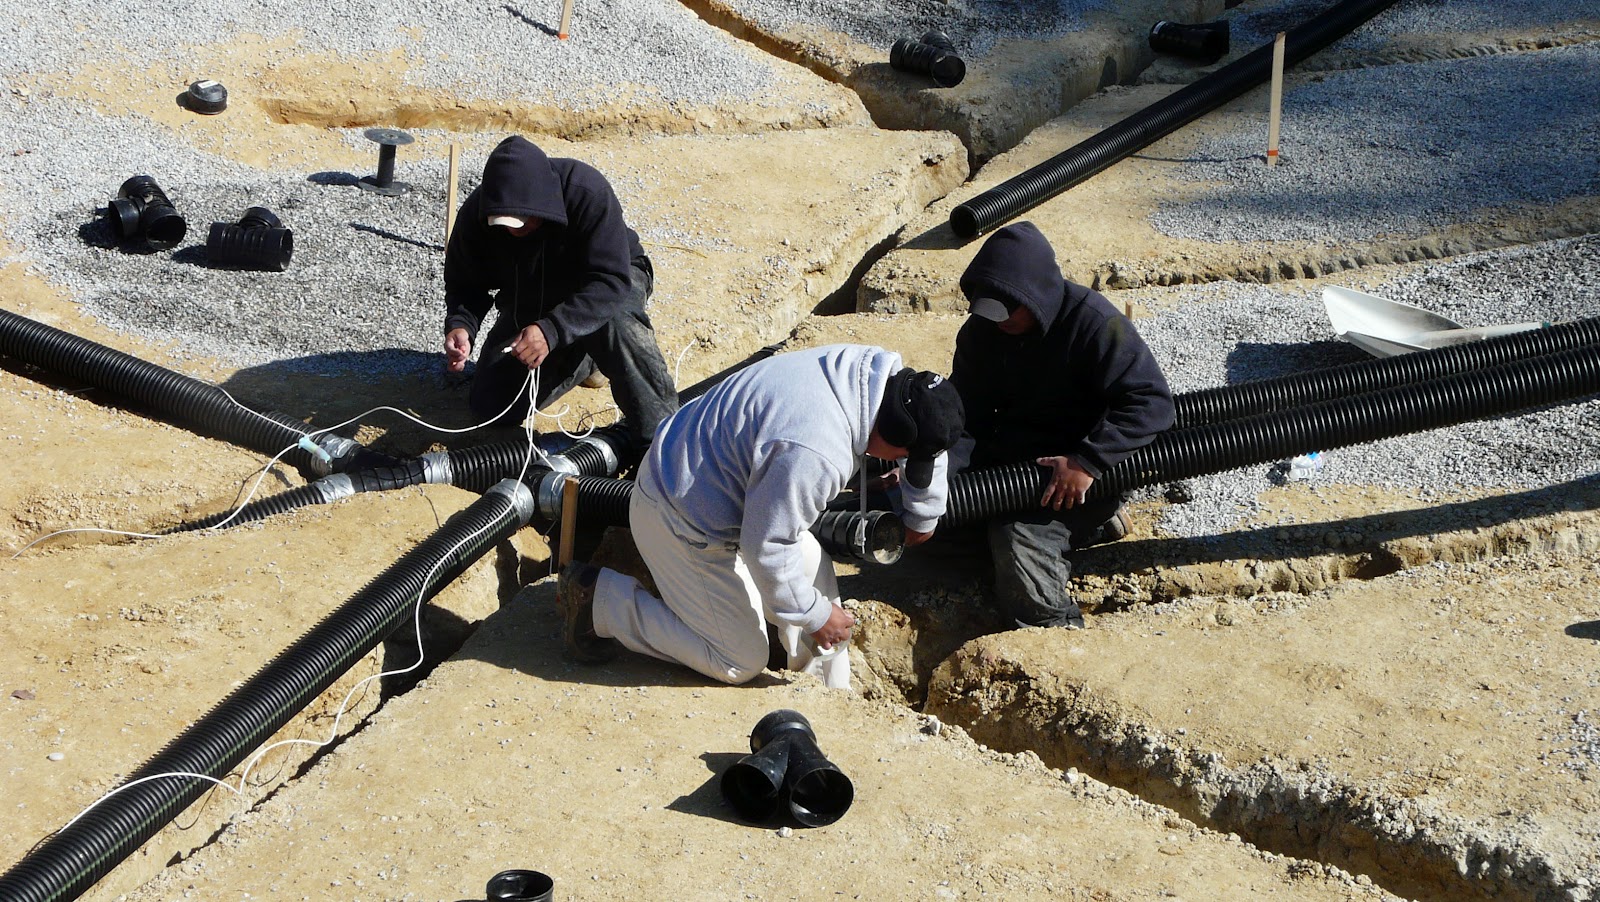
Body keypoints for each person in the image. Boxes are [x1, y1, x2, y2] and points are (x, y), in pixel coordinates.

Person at [556, 344, 965, 690]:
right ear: (888, 436)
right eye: (905, 458)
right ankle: (604, 603)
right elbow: (767, 547)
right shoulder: (816, 449)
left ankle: (825, 693)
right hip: (679, 518)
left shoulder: (877, 377)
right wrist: (818, 616)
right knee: (739, 660)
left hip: (712, 483)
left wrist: (922, 517)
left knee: (813, 566)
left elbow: (930, 439)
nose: (904, 466)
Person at [949, 221, 1173, 629]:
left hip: (1078, 479)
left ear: (1036, 295)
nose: (997, 321)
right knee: (939, 535)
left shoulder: (1095, 323)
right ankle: (1089, 533)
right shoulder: (982, 333)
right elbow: (964, 415)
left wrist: (1087, 461)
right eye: (989, 311)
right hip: (1011, 469)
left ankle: (1055, 628)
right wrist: (930, 474)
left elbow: (1152, 402)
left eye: (1006, 311)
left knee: (1015, 541)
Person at [443, 135, 679, 446]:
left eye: (523, 221)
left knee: (616, 322)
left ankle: (663, 443)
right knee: (492, 405)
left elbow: (611, 281)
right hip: (536, 293)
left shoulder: (587, 192)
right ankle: (588, 356)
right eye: (505, 224)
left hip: (606, 281)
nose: (514, 230)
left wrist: (552, 330)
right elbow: (466, 284)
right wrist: (462, 325)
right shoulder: (478, 216)